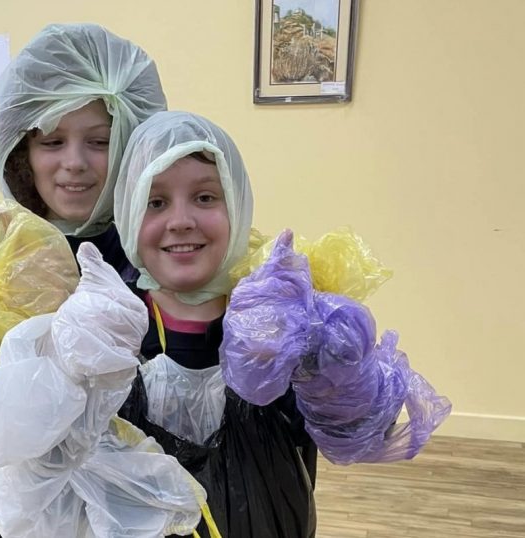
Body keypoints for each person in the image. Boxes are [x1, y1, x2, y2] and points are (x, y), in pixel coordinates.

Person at [111, 110, 449, 537]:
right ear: (125, 213)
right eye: (155, 202)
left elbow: (362, 434)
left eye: (205, 197)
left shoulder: (282, 315)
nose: (181, 220)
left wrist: (333, 365)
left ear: (237, 204)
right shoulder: (113, 323)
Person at [0, 23, 167, 538]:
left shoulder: (154, 258)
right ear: (21, 150)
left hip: (123, 506)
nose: (75, 164)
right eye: (52, 141)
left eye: (100, 141)